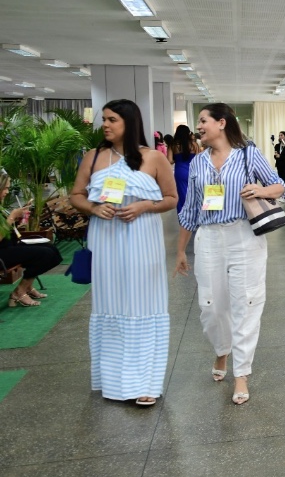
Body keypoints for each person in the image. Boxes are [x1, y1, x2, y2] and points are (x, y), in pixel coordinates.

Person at [69, 99, 177, 406]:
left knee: (142, 303)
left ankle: (146, 383)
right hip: (105, 238)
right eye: (104, 119)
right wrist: (93, 207)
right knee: (111, 303)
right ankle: (112, 380)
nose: (105, 124)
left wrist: (144, 205)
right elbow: (76, 195)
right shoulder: (93, 157)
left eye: (112, 119)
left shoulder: (153, 157)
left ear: (129, 123)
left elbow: (171, 198)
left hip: (142, 237)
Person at [176, 103, 284, 405]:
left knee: (246, 302)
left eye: (203, 121)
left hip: (244, 236)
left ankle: (241, 373)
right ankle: (222, 350)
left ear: (221, 123)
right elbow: (190, 210)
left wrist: (260, 191)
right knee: (211, 305)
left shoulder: (248, 153)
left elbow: (280, 186)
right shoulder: (197, 163)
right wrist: (180, 250)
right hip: (208, 238)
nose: (198, 126)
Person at [0, 174, 62, 307]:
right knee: (44, 254)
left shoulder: (1, 207)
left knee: (51, 249)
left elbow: (6, 229)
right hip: (2, 253)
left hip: (10, 246)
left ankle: (27, 287)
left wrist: (17, 219)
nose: (7, 192)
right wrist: (11, 217)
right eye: (5, 188)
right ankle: (19, 292)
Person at [169, 124, 198, 214]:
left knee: (181, 193)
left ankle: (183, 215)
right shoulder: (194, 145)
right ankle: (194, 213)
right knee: (194, 192)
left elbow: (170, 161)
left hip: (180, 171)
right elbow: (198, 159)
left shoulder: (172, 145)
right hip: (193, 170)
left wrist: (177, 159)